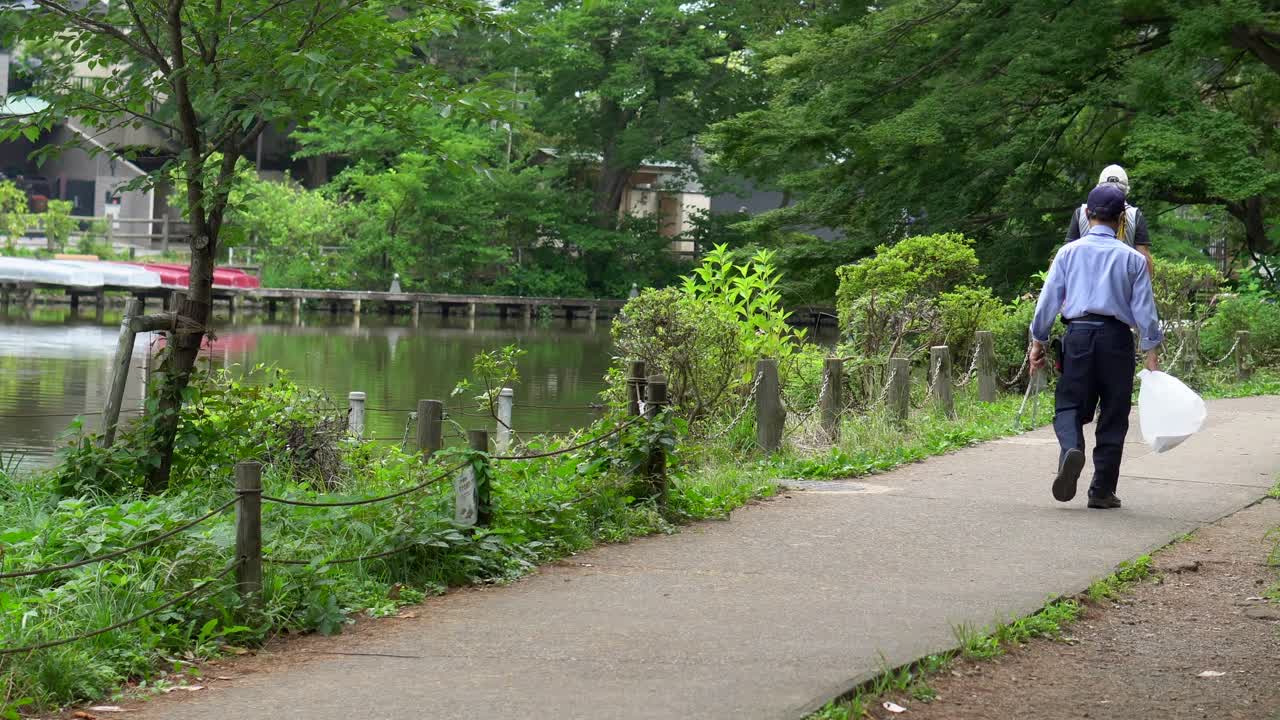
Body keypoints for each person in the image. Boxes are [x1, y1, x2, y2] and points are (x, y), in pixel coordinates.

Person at [1030, 183, 1162, 509]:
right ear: (1121, 220)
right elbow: (1146, 311)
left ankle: (1072, 448)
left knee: (1069, 405)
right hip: (1116, 339)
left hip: (1077, 336)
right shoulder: (1133, 260)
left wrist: (1039, 340)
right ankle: (1101, 491)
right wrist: (1151, 353)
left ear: (1087, 216)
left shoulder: (1067, 253)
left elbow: (1048, 301)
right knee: (1114, 414)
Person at [1066, 164, 1152, 276]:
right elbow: (1144, 261)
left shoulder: (1081, 213)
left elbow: (1067, 255)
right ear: (1126, 192)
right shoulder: (1135, 215)